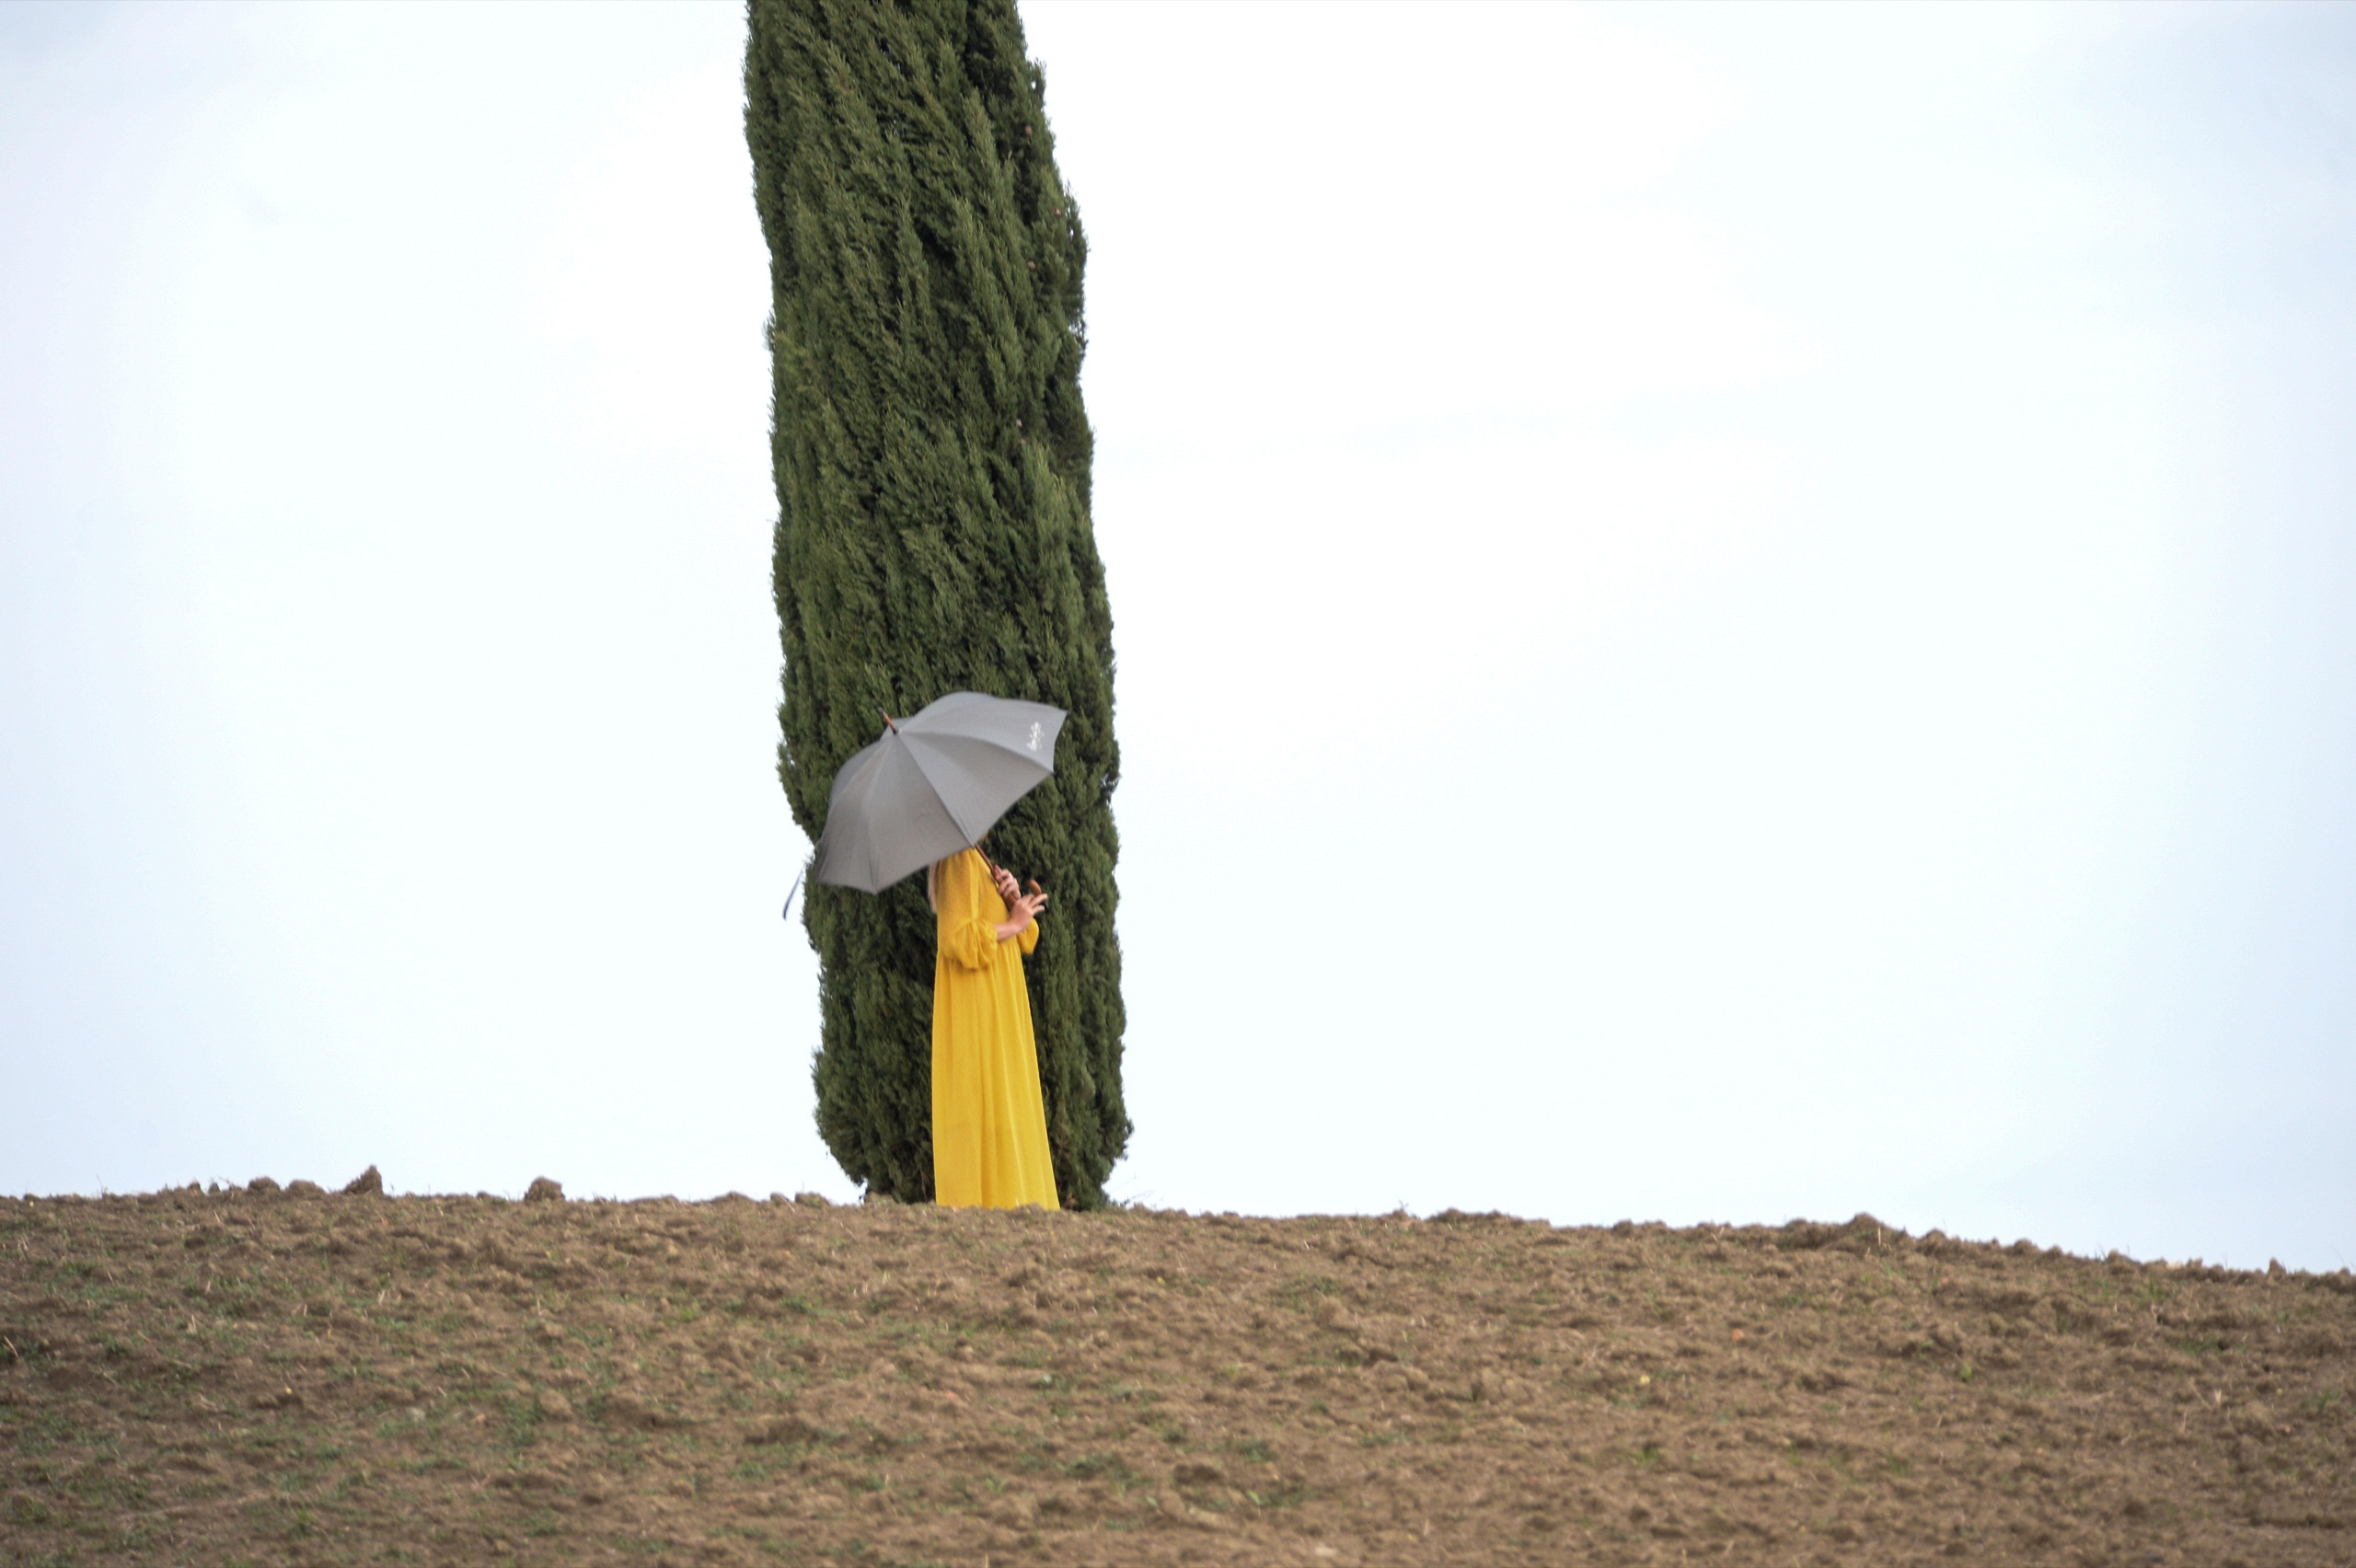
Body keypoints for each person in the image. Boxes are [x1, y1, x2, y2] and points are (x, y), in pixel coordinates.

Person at [927, 844, 1057, 1208]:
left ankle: (1012, 1198)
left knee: (1005, 1098)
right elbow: (956, 937)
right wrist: (1013, 923)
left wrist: (1012, 901)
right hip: (980, 1001)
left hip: (1000, 998)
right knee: (986, 1096)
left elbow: (1023, 937)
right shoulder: (957, 858)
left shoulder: (976, 859)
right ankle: (988, 1202)